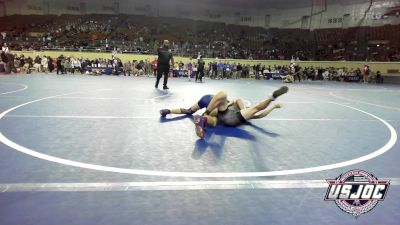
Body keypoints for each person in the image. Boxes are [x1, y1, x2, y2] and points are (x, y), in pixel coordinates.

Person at [194, 86, 288, 139]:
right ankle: (271, 97)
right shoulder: (244, 110)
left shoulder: (240, 108)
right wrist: (273, 107)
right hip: (229, 117)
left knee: (222, 95)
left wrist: (273, 107)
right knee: (255, 108)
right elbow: (259, 114)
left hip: (225, 116)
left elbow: (258, 115)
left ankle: (204, 117)